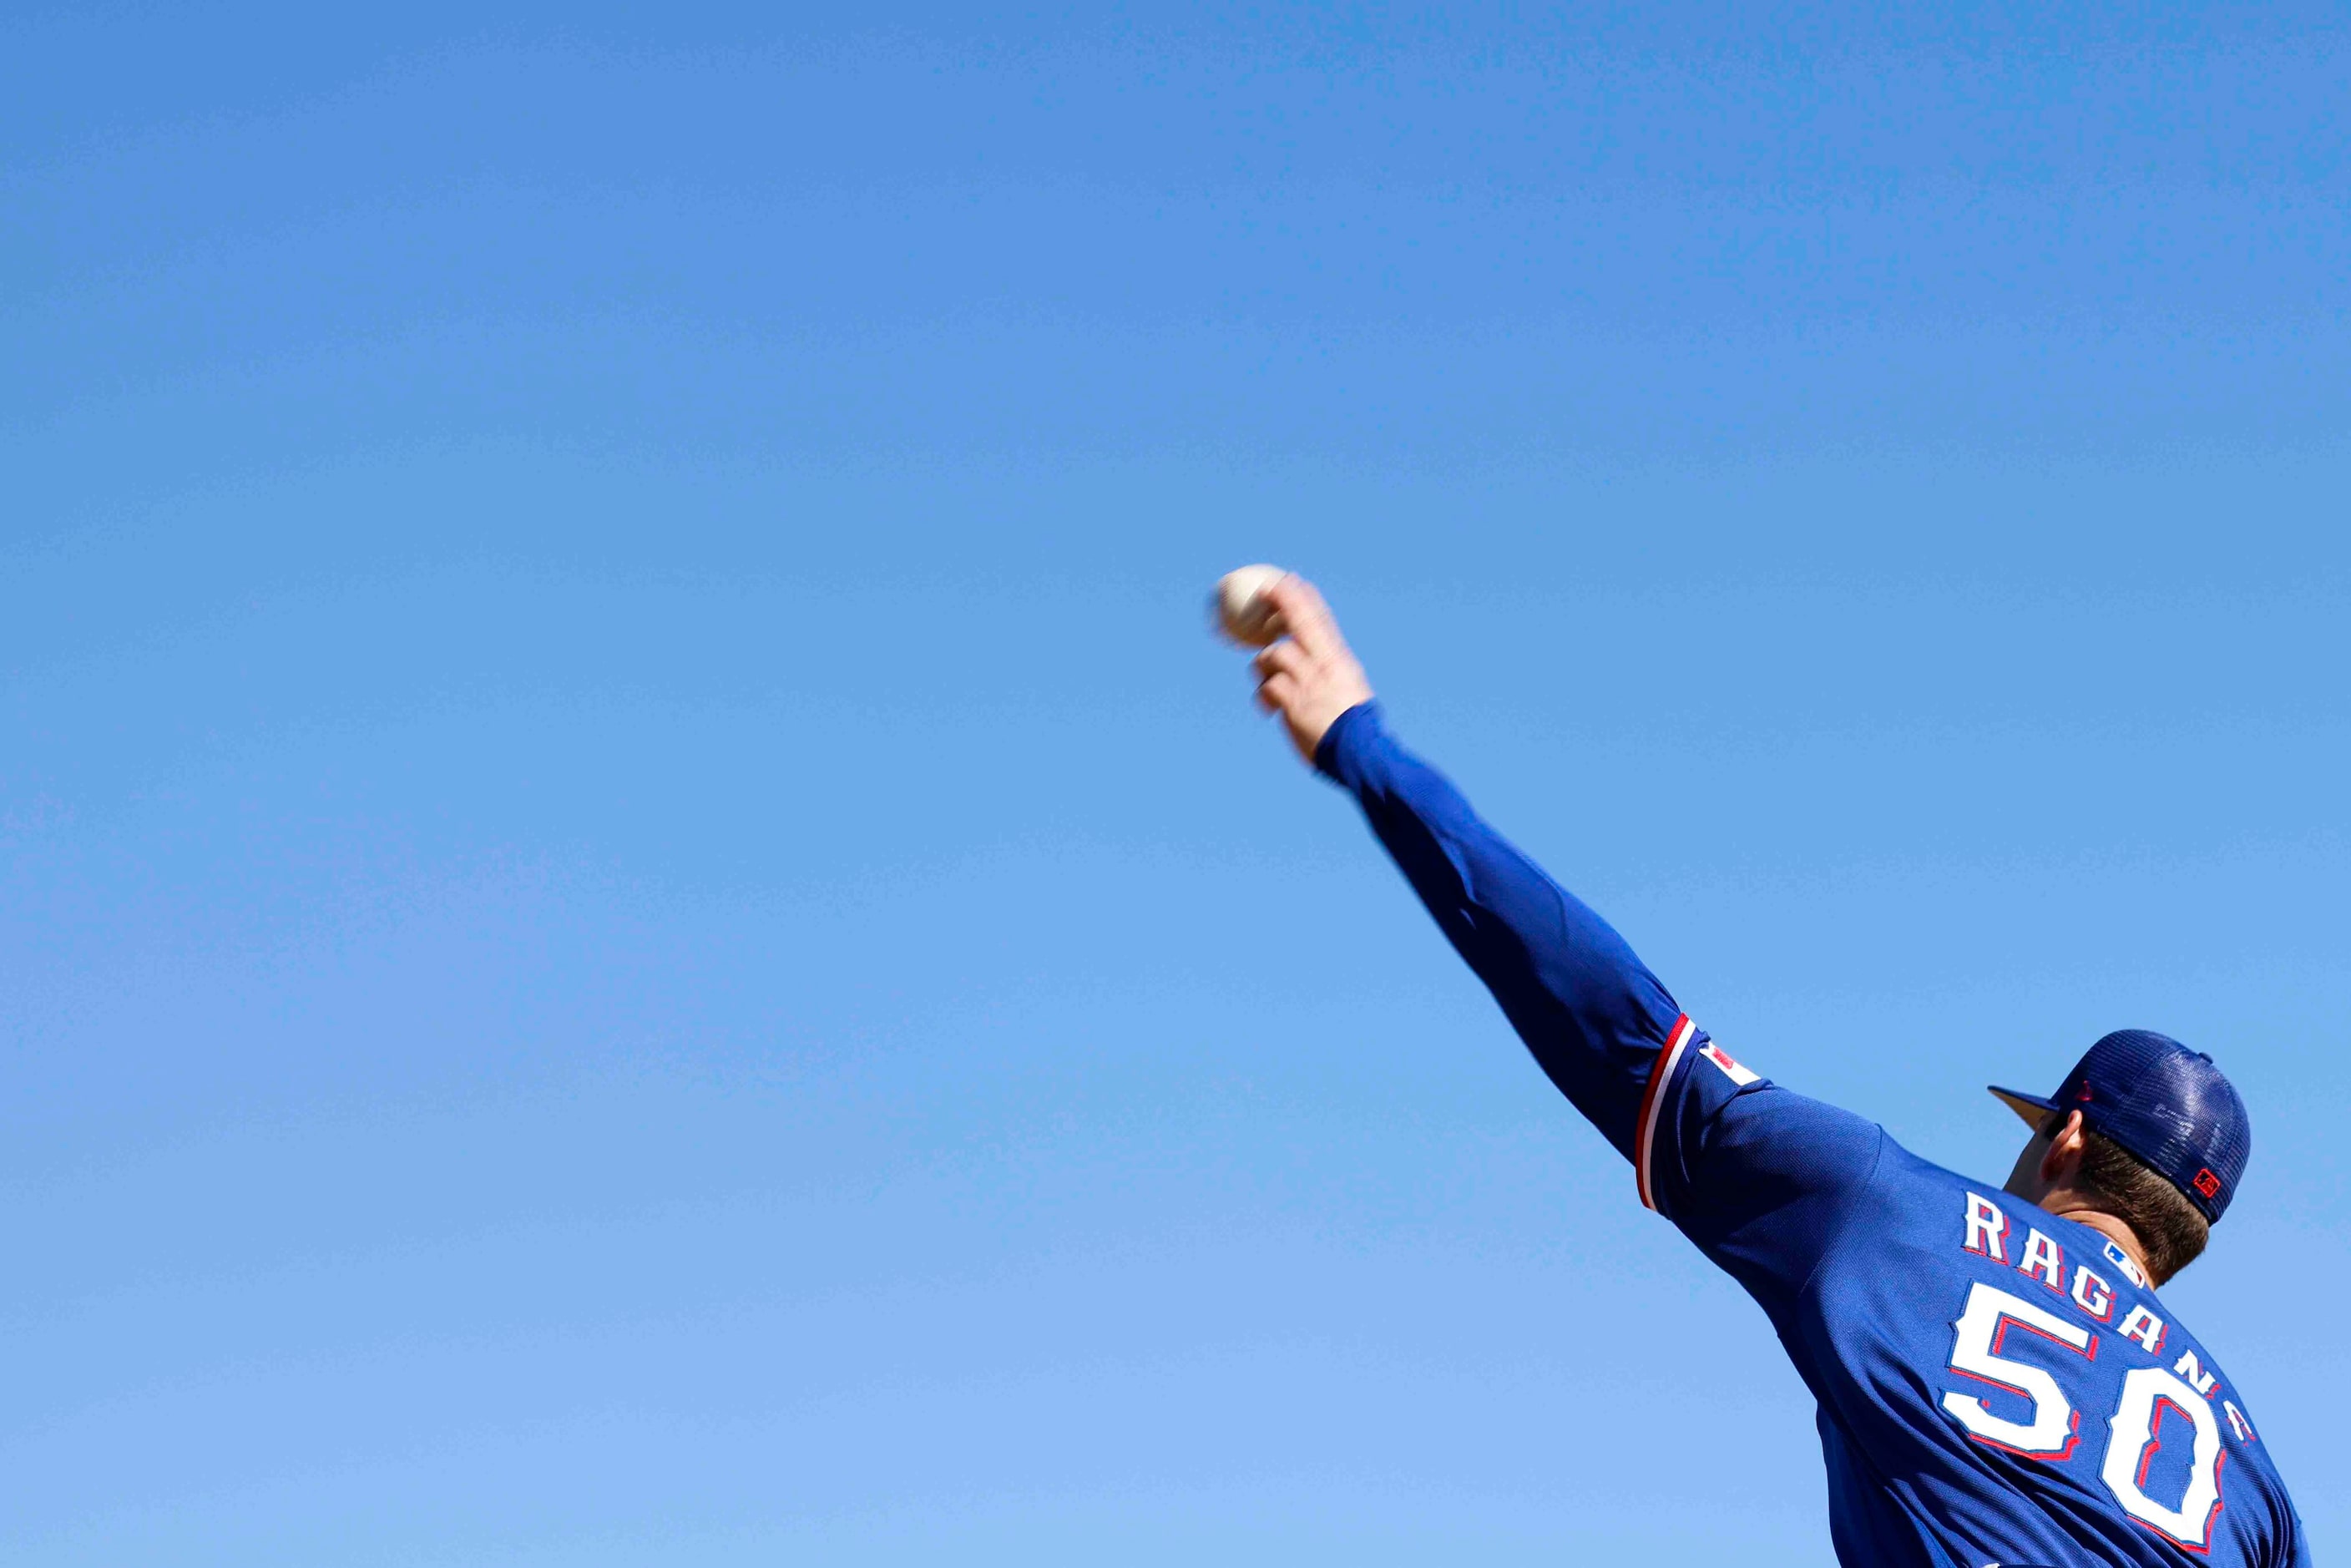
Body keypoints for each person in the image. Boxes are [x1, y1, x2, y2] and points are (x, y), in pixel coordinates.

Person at [1237, 573, 2308, 1567]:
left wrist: (1362, 745)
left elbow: (1601, 1008)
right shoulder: (2252, 1481)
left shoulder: (1887, 1210)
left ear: (2065, 1135)